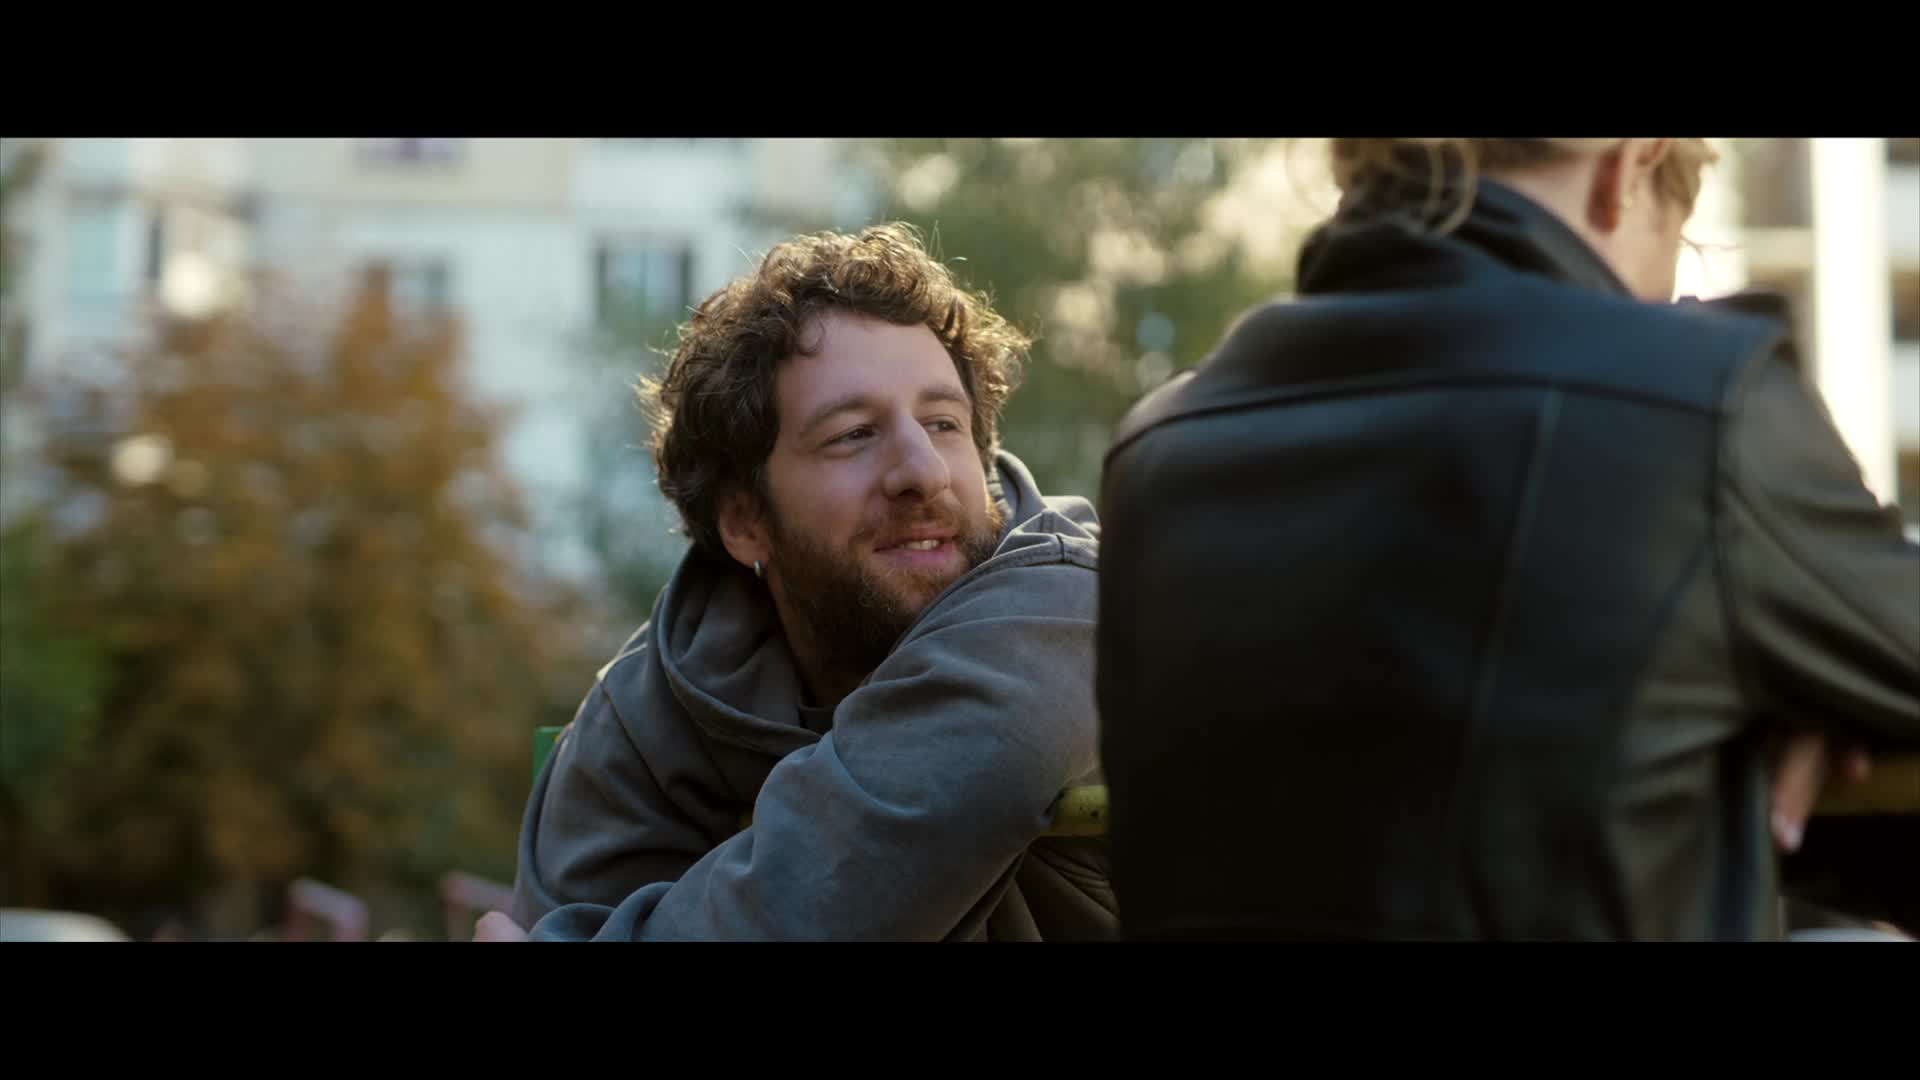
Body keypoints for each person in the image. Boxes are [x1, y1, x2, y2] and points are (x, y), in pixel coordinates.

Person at [1095, 138, 1920, 940]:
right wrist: (1810, 723)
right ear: (1630, 165)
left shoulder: (1157, 453)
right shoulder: (1697, 401)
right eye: (1681, 245)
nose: (1662, 303)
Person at [485, 224, 1116, 941]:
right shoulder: (650, 708)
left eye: (944, 424)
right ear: (744, 521)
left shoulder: (1067, 610)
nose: (924, 471)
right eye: (853, 434)